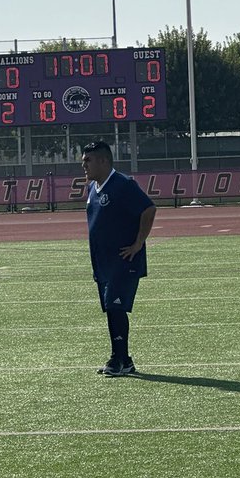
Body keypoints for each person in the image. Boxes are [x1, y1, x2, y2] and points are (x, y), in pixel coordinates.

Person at [81, 141, 156, 376]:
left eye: (88, 160)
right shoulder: (94, 187)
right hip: (103, 263)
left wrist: (138, 242)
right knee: (110, 309)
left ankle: (119, 359)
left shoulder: (122, 184)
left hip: (123, 260)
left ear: (104, 161)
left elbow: (148, 208)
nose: (83, 164)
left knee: (116, 307)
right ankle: (124, 359)